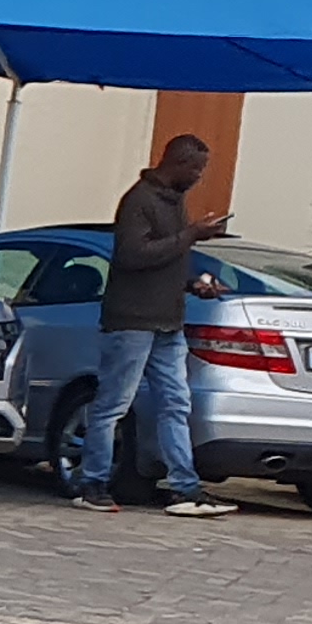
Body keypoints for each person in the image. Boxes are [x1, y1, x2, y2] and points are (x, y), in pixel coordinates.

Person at [74, 134, 237, 515]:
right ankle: (92, 483)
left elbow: (163, 260)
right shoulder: (139, 200)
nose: (199, 177)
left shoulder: (175, 201)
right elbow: (132, 256)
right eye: (196, 169)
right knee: (113, 404)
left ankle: (186, 487)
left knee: (176, 403)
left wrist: (193, 284)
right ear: (177, 162)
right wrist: (191, 235)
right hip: (131, 320)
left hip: (167, 321)